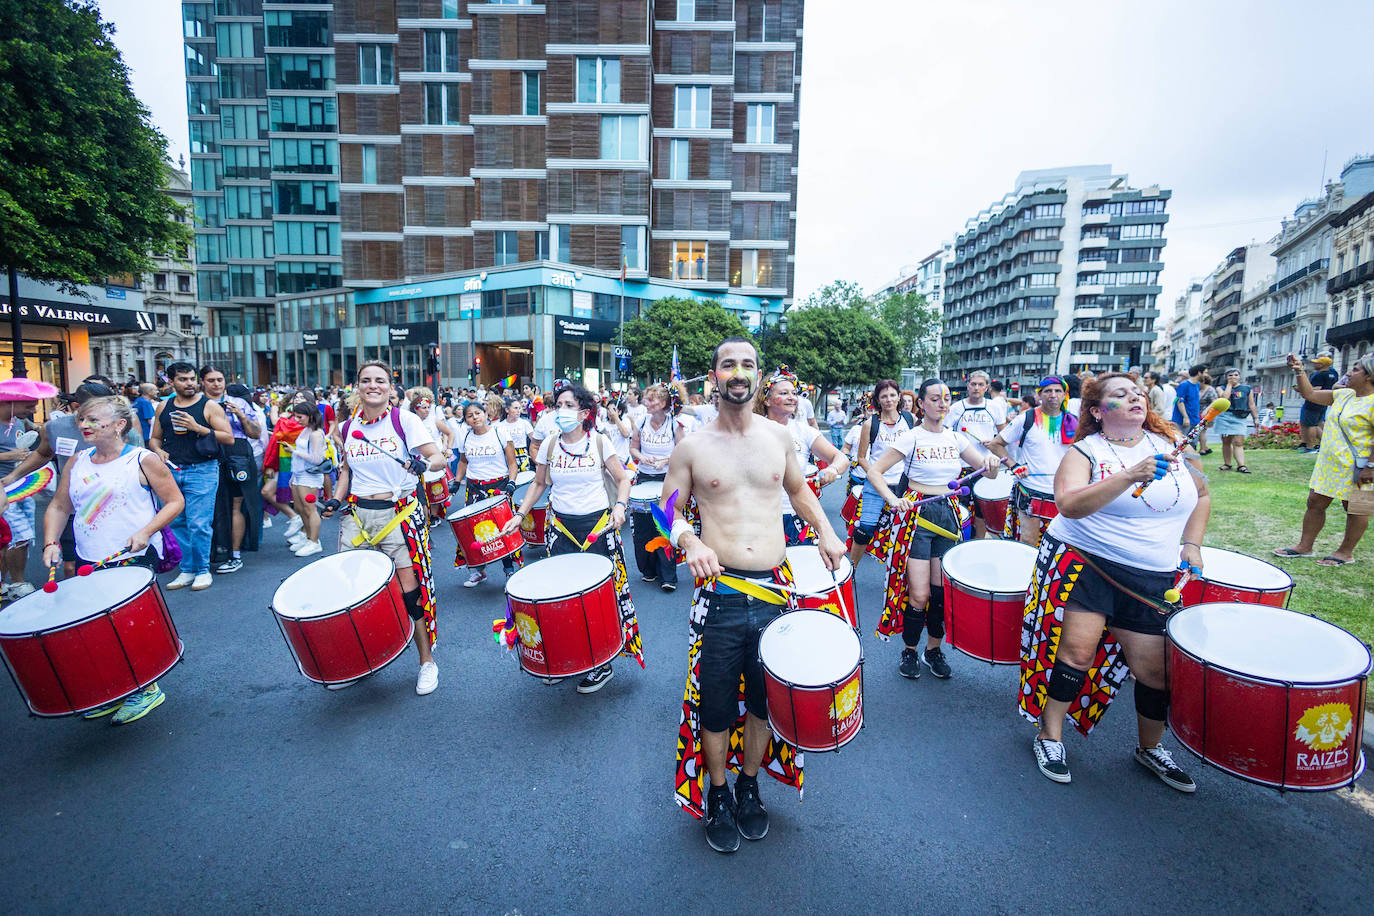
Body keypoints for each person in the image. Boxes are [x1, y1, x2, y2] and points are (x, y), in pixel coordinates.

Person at [662, 336, 846, 853]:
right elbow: (665, 509)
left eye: (747, 364)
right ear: (714, 376)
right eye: (728, 364)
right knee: (717, 705)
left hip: (774, 592)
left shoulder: (778, 438)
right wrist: (689, 538)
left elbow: (799, 490)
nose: (738, 372)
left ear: (758, 376)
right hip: (718, 592)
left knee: (765, 704)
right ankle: (718, 792)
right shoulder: (692, 447)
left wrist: (827, 532)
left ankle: (749, 786)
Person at [1022, 373, 1209, 791]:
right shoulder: (1084, 451)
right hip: (1088, 566)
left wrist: (1192, 545)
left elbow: (1204, 495)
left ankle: (1150, 747)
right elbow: (1067, 505)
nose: (1134, 398)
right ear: (1096, 410)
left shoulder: (1171, 446)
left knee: (1155, 670)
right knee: (1077, 654)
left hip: (1153, 577)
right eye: (1120, 394)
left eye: (1138, 393)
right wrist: (1129, 475)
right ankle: (1049, 735)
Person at [39, 396, 183, 723]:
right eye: (82, 420)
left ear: (119, 425)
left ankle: (146, 688)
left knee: (127, 625)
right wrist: (50, 541)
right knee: (96, 627)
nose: (84, 426)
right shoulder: (77, 462)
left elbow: (175, 502)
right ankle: (117, 689)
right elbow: (61, 506)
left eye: (94, 420)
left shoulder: (143, 460)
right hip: (89, 557)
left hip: (131, 556)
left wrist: (147, 530)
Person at [501, 383, 642, 694]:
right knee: (562, 594)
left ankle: (603, 663)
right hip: (561, 529)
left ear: (583, 412)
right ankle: (571, 655)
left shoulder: (600, 443)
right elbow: (539, 484)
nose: (559, 411)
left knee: (598, 597)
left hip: (597, 528)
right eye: (558, 405)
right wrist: (519, 514)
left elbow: (623, 478)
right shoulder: (551, 444)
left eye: (567, 405)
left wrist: (620, 506)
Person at [320, 361, 446, 694]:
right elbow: (346, 472)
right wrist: (336, 499)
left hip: (399, 516)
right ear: (357, 387)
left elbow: (439, 459)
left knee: (410, 593)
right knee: (353, 592)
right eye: (366, 380)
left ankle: (426, 662)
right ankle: (364, 659)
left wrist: (424, 463)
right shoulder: (348, 428)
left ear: (391, 387)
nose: (373, 385)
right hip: (358, 517)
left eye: (380, 381)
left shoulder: (404, 420)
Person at [866, 379, 999, 680]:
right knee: (920, 594)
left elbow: (989, 474)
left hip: (948, 515)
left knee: (941, 593)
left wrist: (992, 463)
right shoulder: (912, 437)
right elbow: (874, 470)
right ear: (921, 404)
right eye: (935, 398)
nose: (942, 403)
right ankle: (909, 651)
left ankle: (933, 650)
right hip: (916, 516)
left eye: (947, 398)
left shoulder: (956, 438)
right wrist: (892, 498)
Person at [3, 382, 116, 579]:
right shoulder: (56, 428)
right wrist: (13, 476)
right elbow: (43, 454)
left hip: (112, 505)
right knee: (72, 567)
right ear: (77, 406)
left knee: (107, 561)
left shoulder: (119, 424)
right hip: (73, 506)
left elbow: (136, 456)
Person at [1274, 354, 1374, 566]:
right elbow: (1309, 394)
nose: (1348, 372)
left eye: (1355, 369)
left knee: (1356, 509)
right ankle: (1304, 546)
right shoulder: (1344, 394)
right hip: (1331, 463)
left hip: (1363, 466)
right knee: (1315, 502)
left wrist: (1371, 467)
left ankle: (1345, 553)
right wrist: (1299, 370)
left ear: (1369, 376)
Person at [148, 363, 233, 591]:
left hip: (202, 469)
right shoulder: (163, 406)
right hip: (172, 471)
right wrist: (158, 450)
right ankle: (188, 569)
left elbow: (228, 438)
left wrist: (198, 427)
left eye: (192, 379)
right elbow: (154, 438)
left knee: (199, 523)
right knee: (177, 522)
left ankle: (203, 570)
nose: (189, 383)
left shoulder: (210, 406)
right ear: (171, 381)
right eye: (183, 379)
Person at [755, 367, 849, 545]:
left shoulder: (803, 431)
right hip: (759, 518)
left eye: (794, 393)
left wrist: (832, 469)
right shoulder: (753, 428)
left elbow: (841, 457)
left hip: (796, 515)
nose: (792, 397)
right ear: (766, 400)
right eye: (784, 393)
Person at [987, 376, 1075, 545]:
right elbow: (995, 444)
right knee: (1029, 541)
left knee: (1060, 544)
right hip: (1031, 490)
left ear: (1064, 395)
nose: (1053, 395)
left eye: (1058, 391)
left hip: (1063, 493)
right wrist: (1014, 466)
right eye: (1048, 391)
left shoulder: (1074, 421)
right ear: (1039, 395)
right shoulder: (1026, 418)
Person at [0, 377, 59, 600]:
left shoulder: (16, 421)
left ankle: (4, 583)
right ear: (9, 401)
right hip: (3, 488)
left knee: (12, 538)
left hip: (19, 484)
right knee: (19, 536)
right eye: (29, 405)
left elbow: (32, 432)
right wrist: (8, 456)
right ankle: (17, 584)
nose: (34, 409)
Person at [453, 401, 520, 587]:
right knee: (474, 531)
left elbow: (512, 462)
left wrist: (512, 483)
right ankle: (479, 571)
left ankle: (509, 571)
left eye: (477, 413)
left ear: (485, 414)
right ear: (466, 420)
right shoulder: (465, 436)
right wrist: (457, 482)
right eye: (469, 415)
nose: (475, 417)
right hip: (474, 488)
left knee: (503, 529)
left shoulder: (500, 432)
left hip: (499, 487)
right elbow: (463, 462)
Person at [848, 380, 916, 568]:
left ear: (899, 397)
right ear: (877, 399)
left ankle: (902, 575)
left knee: (906, 531)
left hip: (904, 484)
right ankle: (850, 571)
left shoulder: (910, 420)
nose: (888, 400)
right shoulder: (871, 424)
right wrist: (874, 476)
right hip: (876, 485)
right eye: (884, 396)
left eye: (892, 395)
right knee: (865, 530)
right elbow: (861, 457)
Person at [203, 368, 263, 575]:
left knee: (237, 504)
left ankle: (234, 555)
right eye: (211, 380)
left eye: (219, 380)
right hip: (207, 454)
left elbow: (256, 434)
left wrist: (240, 416)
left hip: (237, 454)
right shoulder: (198, 403)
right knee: (210, 505)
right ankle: (210, 554)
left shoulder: (240, 403)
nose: (216, 384)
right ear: (202, 382)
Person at [629, 384, 688, 591]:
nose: (647, 403)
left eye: (651, 400)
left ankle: (668, 577)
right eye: (646, 399)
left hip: (668, 479)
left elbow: (683, 453)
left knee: (664, 526)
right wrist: (641, 457)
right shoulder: (641, 421)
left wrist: (665, 460)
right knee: (643, 528)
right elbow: (633, 448)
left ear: (663, 403)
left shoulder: (675, 424)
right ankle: (648, 570)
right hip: (644, 477)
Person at [945, 370, 1008, 538]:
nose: (976, 388)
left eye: (981, 384)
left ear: (987, 387)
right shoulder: (956, 408)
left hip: (985, 467)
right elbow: (944, 433)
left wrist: (993, 441)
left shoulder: (994, 407)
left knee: (982, 511)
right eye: (973, 384)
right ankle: (958, 541)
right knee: (960, 508)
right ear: (968, 386)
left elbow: (1004, 436)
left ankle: (977, 543)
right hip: (961, 466)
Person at [285, 402, 326, 556]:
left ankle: (314, 541)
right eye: (296, 416)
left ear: (310, 416)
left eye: (300, 417)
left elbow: (316, 459)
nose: (297, 420)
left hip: (310, 476)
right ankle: (308, 537)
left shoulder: (316, 433)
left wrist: (294, 451)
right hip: (299, 474)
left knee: (310, 509)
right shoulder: (306, 430)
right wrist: (294, 476)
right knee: (301, 508)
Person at [1213, 368, 1257, 474]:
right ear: (1226, 377)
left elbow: (1251, 404)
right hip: (1225, 416)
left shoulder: (1247, 388)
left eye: (1236, 375)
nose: (1233, 377)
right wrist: (1229, 385)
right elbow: (1224, 398)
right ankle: (1227, 463)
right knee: (1226, 441)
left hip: (1240, 417)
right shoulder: (1220, 388)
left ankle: (1241, 465)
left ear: (1239, 376)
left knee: (1238, 441)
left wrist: (1255, 418)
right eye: (1230, 375)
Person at [1299, 355, 1341, 453]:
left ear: (1322, 364)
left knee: (1310, 424)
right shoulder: (1333, 374)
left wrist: (1302, 389)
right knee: (1319, 423)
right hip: (1324, 402)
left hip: (1314, 402)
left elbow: (1316, 389)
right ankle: (1324, 444)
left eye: (1317, 363)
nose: (1314, 364)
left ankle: (1310, 447)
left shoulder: (1319, 375)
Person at [497, 398, 536, 472]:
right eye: (515, 408)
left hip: (522, 456)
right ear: (507, 410)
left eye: (519, 408)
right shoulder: (500, 426)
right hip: (506, 456)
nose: (518, 411)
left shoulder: (524, 423)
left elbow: (534, 440)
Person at [1171, 364, 1203, 435]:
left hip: (1194, 419)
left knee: (1192, 443)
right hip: (1183, 420)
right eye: (1205, 373)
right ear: (1199, 373)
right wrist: (1185, 417)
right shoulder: (1184, 385)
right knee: (1181, 442)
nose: (1206, 375)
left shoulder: (1197, 385)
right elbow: (1180, 401)